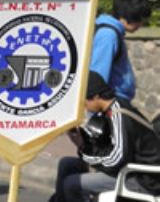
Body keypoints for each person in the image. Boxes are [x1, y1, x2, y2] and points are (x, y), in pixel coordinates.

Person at [50, 72, 160, 201]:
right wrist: (83, 143)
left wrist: (86, 153)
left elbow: (116, 158)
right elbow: (108, 147)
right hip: (125, 168)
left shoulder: (119, 114)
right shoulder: (109, 110)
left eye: (84, 101)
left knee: (72, 184)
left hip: (142, 178)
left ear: (96, 97)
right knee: (66, 164)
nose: (84, 106)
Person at [90, 0, 151, 102]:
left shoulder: (113, 32)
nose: (141, 25)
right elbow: (97, 76)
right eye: (140, 19)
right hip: (110, 102)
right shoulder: (108, 35)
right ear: (129, 16)